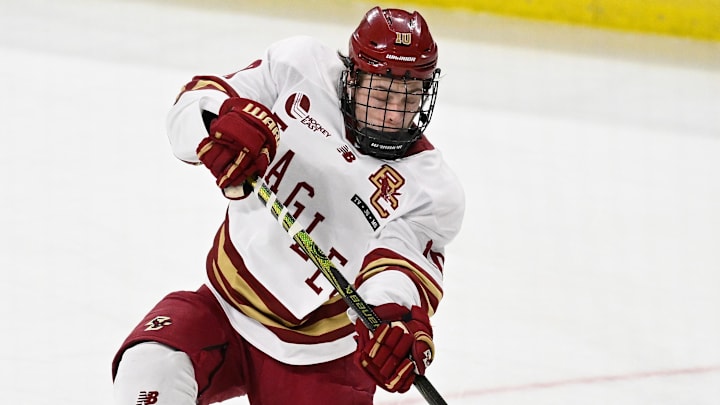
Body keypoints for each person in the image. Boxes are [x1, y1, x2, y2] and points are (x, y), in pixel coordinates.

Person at [112, 6, 465, 405]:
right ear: (351, 78)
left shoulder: (431, 189)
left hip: (323, 358)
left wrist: (390, 316)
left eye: (410, 96)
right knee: (150, 366)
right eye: (382, 93)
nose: (396, 113)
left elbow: (397, 270)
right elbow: (196, 103)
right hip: (225, 308)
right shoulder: (299, 67)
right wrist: (218, 123)